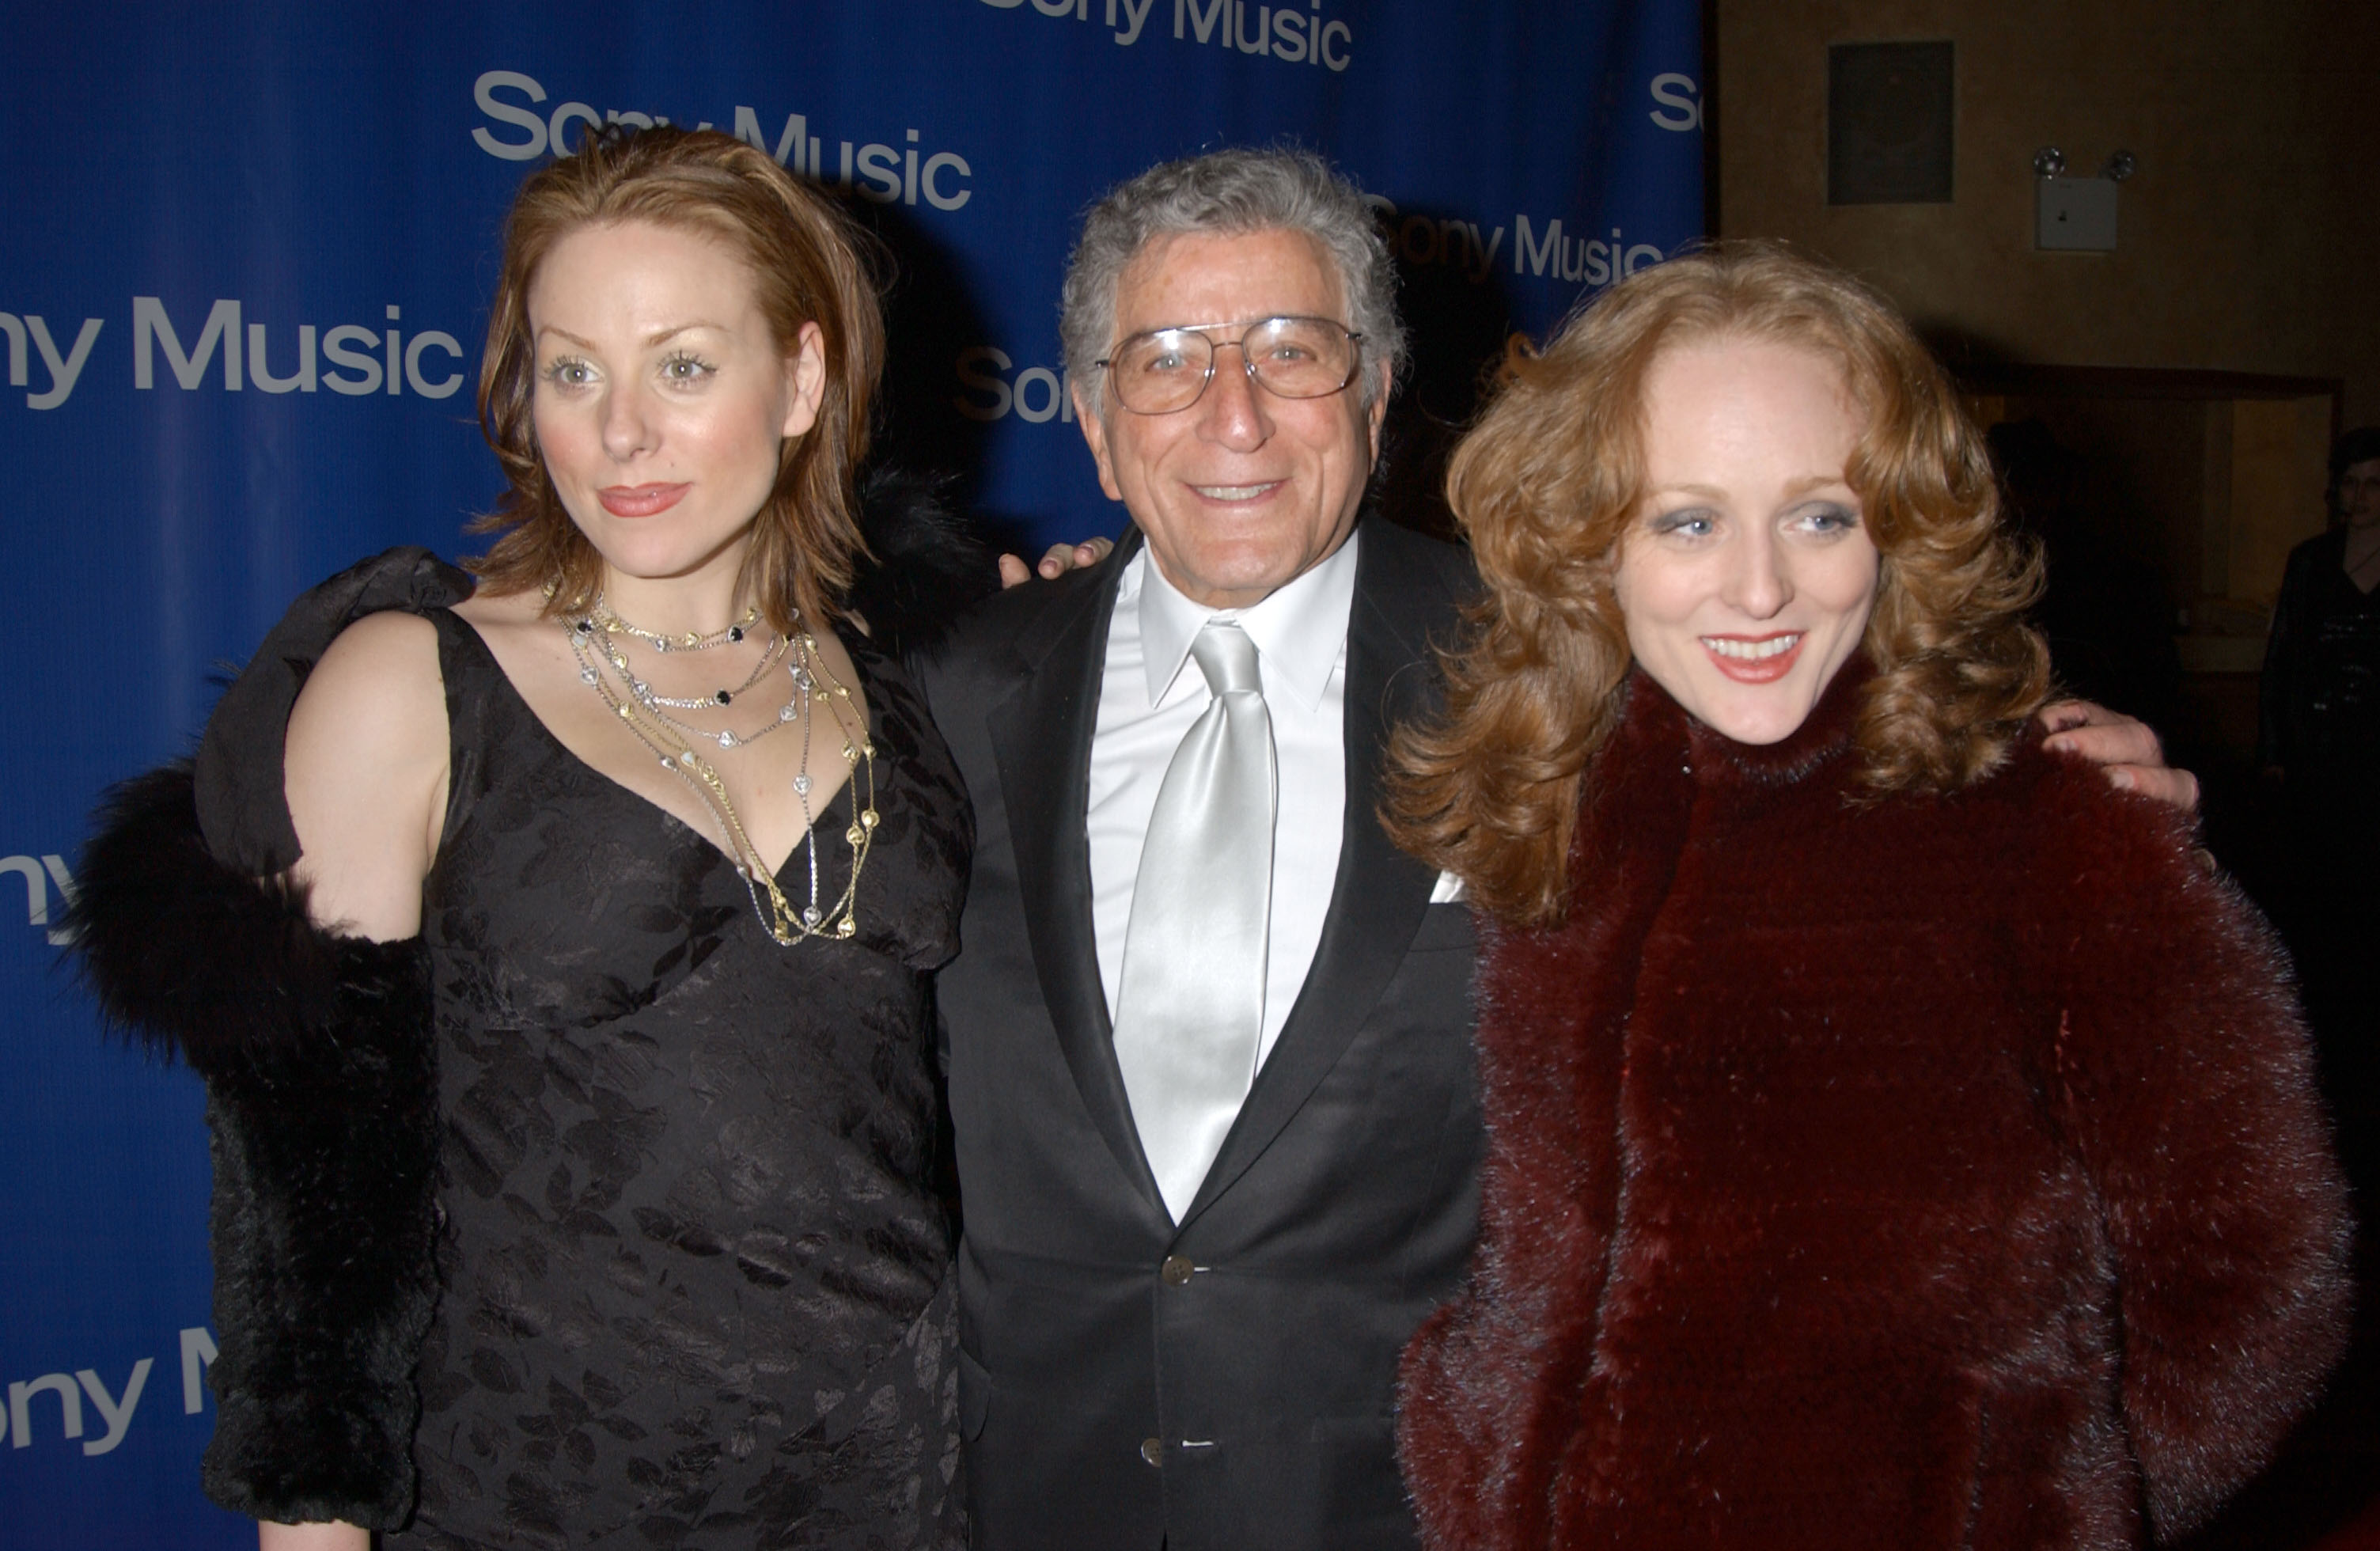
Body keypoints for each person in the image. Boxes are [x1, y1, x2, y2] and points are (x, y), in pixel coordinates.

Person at [915, 150, 2196, 1551]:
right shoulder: (947, 693)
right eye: (1165, 362)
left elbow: (1814, 718)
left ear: (1378, 393)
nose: (1235, 415)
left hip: (1420, 1504)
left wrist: (2029, 797)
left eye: (1293, 351)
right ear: (1094, 424)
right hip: (1036, 1489)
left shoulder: (1566, 667)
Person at [72, 127, 983, 1550]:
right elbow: (306, 1197)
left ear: (801, 379)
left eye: (682, 365)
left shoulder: (902, 668)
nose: (620, 433)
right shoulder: (411, 683)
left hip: (901, 1481)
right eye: (574, 370)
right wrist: (312, 1526)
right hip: (542, 1497)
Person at [1387, 242, 2351, 1549]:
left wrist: (2043, 1505)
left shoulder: (2059, 827)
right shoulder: (1551, 806)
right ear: (1586, 542)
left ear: (1898, 528)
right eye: (1687, 519)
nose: (1758, 587)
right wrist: (1471, 1439)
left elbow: (2259, 1274)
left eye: (1818, 514)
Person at [2259, 424, 2380, 1203]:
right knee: (2318, 918)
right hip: (2317, 771)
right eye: (2352, 483)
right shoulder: (2309, 561)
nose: (2361, 497)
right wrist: (2274, 752)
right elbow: (2280, 663)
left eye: (2375, 483)